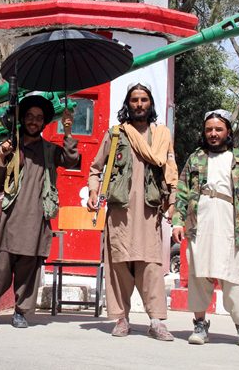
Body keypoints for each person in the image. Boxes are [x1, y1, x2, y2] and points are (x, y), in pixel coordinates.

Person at [87, 82, 178, 340]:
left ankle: (157, 321)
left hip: (150, 211)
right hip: (120, 211)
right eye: (134, 100)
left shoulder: (161, 135)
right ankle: (121, 318)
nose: (139, 104)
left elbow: (171, 171)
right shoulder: (116, 134)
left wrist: (172, 202)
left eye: (144, 100)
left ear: (150, 104)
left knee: (151, 265)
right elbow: (95, 168)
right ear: (128, 104)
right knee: (118, 264)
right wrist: (94, 191)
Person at [0, 94, 78, 328]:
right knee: (1, 264)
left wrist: (67, 132)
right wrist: (3, 157)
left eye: (39, 118)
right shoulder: (11, 145)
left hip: (36, 217)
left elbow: (71, 160)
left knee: (29, 266)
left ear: (44, 123)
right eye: (30, 117)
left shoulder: (49, 150)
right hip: (10, 216)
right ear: (23, 119)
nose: (34, 121)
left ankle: (21, 311)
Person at [172, 109, 239, 348]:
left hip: (231, 221)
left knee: (234, 275)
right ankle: (200, 324)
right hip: (200, 220)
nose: (213, 134)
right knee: (199, 274)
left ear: (228, 132)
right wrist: (178, 221)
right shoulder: (195, 158)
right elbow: (181, 192)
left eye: (218, 129)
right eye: (209, 129)